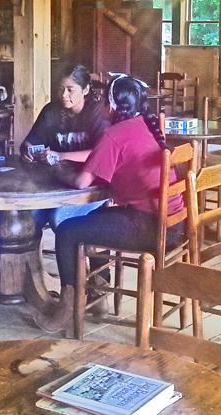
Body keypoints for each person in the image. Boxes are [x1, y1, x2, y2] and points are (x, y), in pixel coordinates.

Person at [35, 75, 181, 333]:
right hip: (173, 224)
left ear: (112, 106)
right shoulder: (146, 124)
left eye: (103, 100)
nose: (99, 104)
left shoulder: (113, 134)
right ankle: (98, 289)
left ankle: (67, 307)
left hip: (147, 226)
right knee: (97, 215)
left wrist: (57, 167)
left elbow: (81, 182)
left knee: (68, 231)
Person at [20, 64, 109, 229]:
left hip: (90, 187)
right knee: (28, 215)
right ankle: (32, 256)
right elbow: (29, 143)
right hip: (57, 182)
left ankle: (79, 253)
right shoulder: (51, 111)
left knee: (59, 217)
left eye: (70, 89)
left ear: (85, 90)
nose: (64, 95)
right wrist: (27, 152)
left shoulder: (96, 113)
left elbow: (99, 154)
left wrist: (60, 156)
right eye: (60, 89)